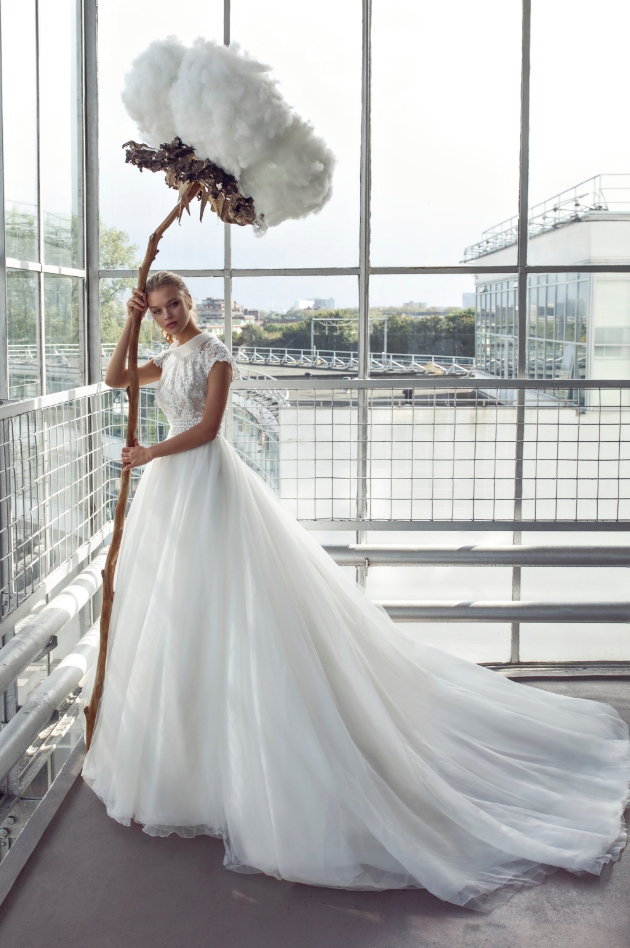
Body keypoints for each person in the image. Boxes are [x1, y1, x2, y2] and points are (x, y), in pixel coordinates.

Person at [82, 270, 630, 912]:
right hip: (169, 494)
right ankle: (189, 770)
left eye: (175, 305)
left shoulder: (214, 354)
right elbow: (119, 380)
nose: (170, 316)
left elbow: (207, 431)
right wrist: (124, 320)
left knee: (230, 611)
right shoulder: (164, 352)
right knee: (179, 620)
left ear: (191, 304)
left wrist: (149, 456)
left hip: (201, 483)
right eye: (159, 310)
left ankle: (250, 762)